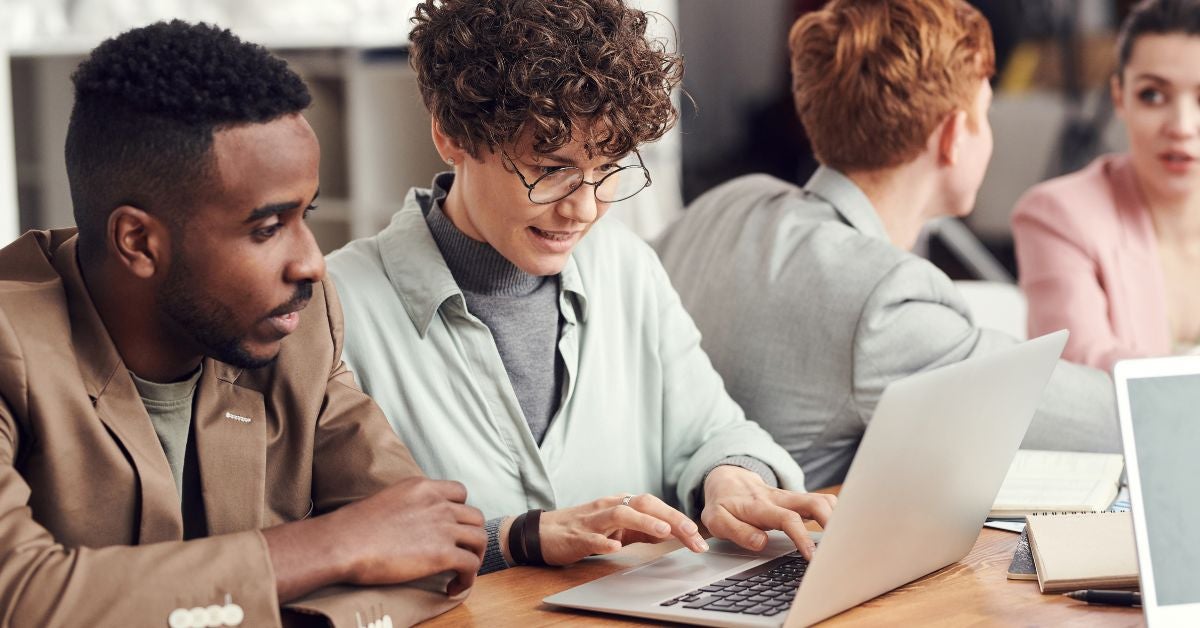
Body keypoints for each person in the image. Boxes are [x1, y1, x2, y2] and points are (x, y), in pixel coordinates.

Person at [0, 21, 486, 627]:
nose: (311, 261)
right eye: (266, 229)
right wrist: (334, 546)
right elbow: (20, 596)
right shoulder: (8, 340)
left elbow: (430, 552)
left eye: (304, 214)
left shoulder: (295, 322)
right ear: (138, 241)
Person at [327, 0, 835, 575]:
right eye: (550, 170)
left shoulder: (624, 264)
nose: (585, 208)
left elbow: (713, 431)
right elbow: (326, 547)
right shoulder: (337, 308)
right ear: (451, 135)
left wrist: (731, 479)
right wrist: (516, 538)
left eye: (609, 167)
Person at [654, 0, 1121, 490]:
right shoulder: (884, 302)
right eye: (984, 115)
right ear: (954, 137)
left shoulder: (730, 200)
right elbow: (1111, 419)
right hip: (778, 557)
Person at [1012, 0, 1200, 371]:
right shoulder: (1058, 217)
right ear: (1119, 97)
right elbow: (1084, 369)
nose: (1180, 126)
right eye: (1153, 95)